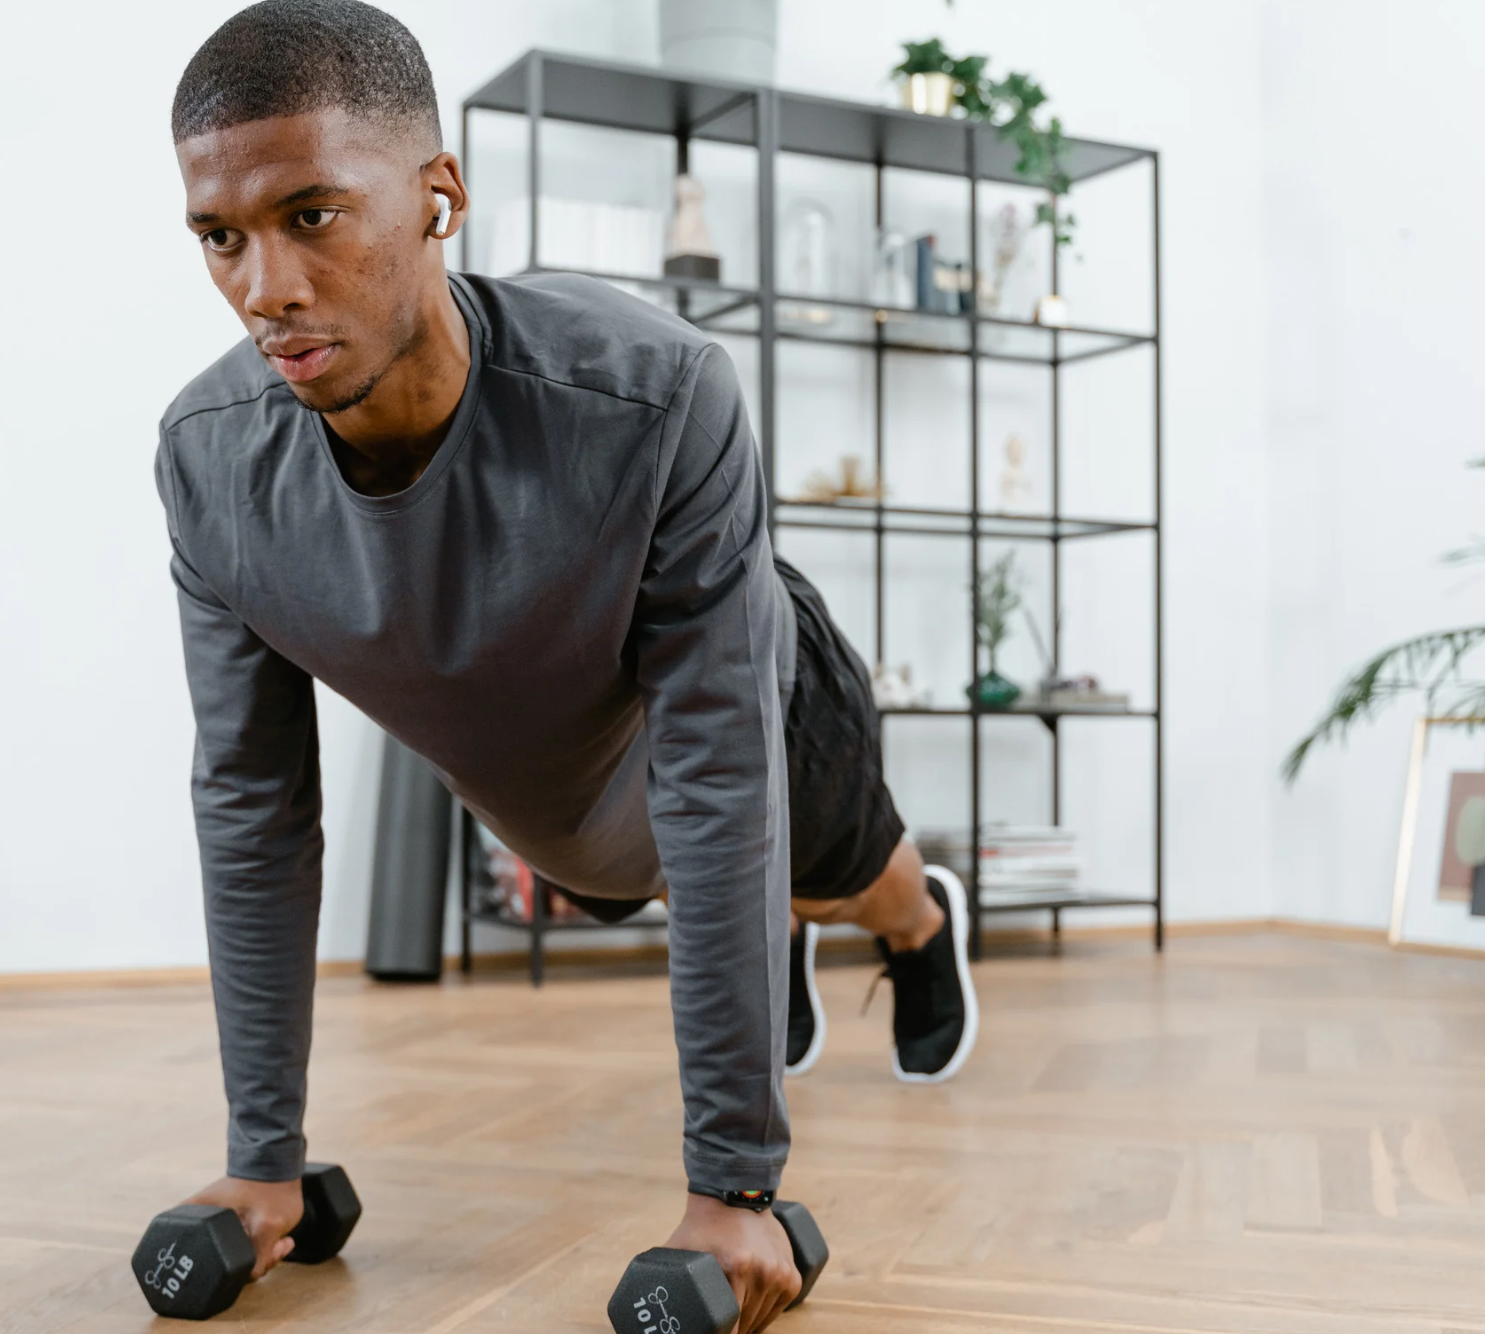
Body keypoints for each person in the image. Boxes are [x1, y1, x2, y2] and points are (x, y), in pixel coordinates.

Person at [154, 3, 976, 1328]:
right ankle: (778, 932)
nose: (265, 288)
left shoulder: (654, 394)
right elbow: (251, 801)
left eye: (313, 215)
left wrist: (735, 1187)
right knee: (680, 872)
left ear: (440, 197)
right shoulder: (209, 467)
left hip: (755, 698)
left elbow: (718, 768)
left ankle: (920, 922)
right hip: (574, 805)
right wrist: (265, 1165)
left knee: (834, 869)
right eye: (220, 237)